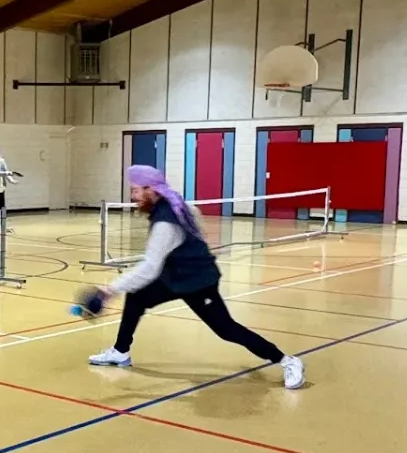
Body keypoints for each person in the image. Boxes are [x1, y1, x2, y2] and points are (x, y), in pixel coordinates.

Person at [86, 164, 306, 390]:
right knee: (137, 296)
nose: (133, 196)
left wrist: (108, 290)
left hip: (198, 283)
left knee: (226, 330)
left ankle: (287, 361)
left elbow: (150, 266)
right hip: (176, 277)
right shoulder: (175, 204)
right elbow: (196, 223)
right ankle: (121, 351)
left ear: (151, 189)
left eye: (135, 190)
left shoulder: (165, 221)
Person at [0, 146, 21, 230]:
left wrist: (11, 180)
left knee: (2, 207)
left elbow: (6, 171)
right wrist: (9, 173)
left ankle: (3, 224)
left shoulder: (2, 161)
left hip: (2, 188)